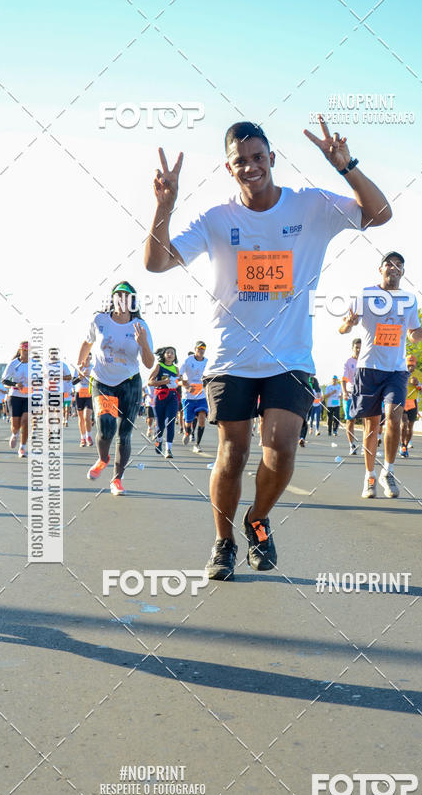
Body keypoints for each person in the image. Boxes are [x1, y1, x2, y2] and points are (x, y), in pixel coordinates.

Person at [144, 118, 391, 579]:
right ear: (228, 168)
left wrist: (347, 167)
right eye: (241, 162)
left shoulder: (311, 206)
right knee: (233, 453)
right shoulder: (217, 219)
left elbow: (379, 215)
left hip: (289, 356)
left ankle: (257, 518)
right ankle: (223, 543)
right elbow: (157, 262)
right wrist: (165, 206)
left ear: (272, 159)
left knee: (280, 450)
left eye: (259, 158)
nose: (251, 167)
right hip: (230, 357)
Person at [339, 252, 422, 499]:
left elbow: (413, 335)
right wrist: (349, 324)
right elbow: (342, 327)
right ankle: (369, 477)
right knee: (371, 426)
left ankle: (388, 471)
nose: (394, 268)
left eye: (399, 266)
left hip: (396, 369)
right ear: (380, 269)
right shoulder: (365, 295)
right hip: (369, 368)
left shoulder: (409, 299)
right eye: (389, 264)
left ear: (402, 272)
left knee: (394, 418)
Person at [77, 281, 154, 495]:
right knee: (106, 427)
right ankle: (103, 459)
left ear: (132, 301)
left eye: (127, 296)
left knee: (125, 434)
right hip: (103, 382)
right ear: (113, 299)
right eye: (118, 295)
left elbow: (148, 363)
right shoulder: (99, 320)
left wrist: (144, 343)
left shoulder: (140, 325)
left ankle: (117, 479)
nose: (122, 299)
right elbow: (86, 343)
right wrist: (81, 362)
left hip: (129, 382)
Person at [148, 347, 179, 459]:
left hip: (173, 397)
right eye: (168, 352)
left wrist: (182, 383)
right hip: (160, 396)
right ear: (164, 355)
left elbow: (177, 382)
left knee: (170, 421)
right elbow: (150, 382)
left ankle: (168, 450)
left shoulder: (176, 368)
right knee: (160, 424)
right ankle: (158, 441)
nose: (170, 354)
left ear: (175, 356)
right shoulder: (159, 366)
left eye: (172, 353)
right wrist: (164, 382)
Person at [179, 341, 209, 453]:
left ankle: (197, 444)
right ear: (195, 349)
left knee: (202, 418)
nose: (201, 349)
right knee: (188, 421)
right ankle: (187, 432)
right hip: (188, 397)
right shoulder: (188, 360)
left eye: (203, 348)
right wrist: (186, 386)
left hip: (201, 396)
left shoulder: (207, 361)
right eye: (199, 348)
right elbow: (178, 377)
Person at [2, 341, 30, 457]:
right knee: (15, 425)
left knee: (25, 421)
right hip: (15, 396)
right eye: (24, 350)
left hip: (30, 397)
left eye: (28, 350)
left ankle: (22, 448)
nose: (26, 352)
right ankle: (15, 434)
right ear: (20, 350)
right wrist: (15, 384)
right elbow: (4, 380)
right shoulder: (13, 364)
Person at [400, 354, 422, 458]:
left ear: (415, 364)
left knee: (410, 426)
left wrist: (418, 384)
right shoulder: (400, 373)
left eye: (412, 365)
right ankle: (402, 445)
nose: (410, 367)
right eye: (408, 365)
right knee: (404, 423)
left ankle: (406, 445)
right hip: (401, 401)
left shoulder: (420, 375)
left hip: (412, 402)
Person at [341, 338, 361, 454]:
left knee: (367, 420)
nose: (358, 350)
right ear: (352, 348)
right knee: (350, 420)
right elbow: (343, 379)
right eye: (356, 347)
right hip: (350, 393)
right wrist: (344, 392)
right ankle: (351, 445)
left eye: (360, 348)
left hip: (363, 394)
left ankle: (366, 446)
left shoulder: (366, 360)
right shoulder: (348, 362)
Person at [74, 353, 93, 446]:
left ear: (91, 357)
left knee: (87, 416)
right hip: (79, 393)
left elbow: (99, 380)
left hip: (89, 393)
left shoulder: (94, 368)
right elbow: (73, 382)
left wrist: (90, 376)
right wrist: (80, 377)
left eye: (88, 357)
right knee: (81, 418)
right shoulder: (78, 368)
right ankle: (83, 438)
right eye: (85, 357)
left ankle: (89, 436)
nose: (86, 359)